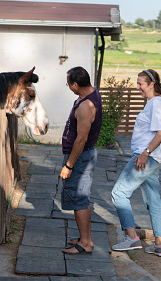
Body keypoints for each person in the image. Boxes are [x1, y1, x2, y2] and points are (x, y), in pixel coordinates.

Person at [111, 69, 161, 257]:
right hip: (151, 159)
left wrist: (145, 153)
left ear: (151, 84)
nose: (138, 88)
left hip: (146, 159)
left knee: (119, 193)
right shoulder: (153, 103)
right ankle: (159, 245)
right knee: (153, 200)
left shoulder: (156, 104)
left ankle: (132, 238)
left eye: (140, 84)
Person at [60, 66, 102, 255]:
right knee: (80, 198)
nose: (68, 87)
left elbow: (81, 139)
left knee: (79, 199)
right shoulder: (90, 95)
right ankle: (85, 237)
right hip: (83, 156)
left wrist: (69, 165)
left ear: (76, 85)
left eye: (69, 84)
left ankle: (85, 243)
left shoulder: (86, 106)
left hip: (81, 158)